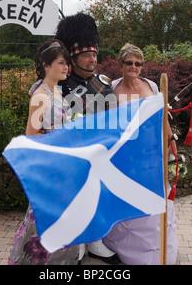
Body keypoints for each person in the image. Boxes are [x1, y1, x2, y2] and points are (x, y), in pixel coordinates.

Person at [102, 43, 179, 265]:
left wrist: (170, 143)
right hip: (124, 155)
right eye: (129, 62)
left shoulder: (152, 86)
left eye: (138, 63)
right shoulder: (112, 88)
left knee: (155, 203)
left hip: (151, 153)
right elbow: (106, 123)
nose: (134, 66)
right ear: (120, 64)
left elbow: (163, 117)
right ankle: (128, 250)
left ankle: (159, 252)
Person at [54, 13, 120, 265]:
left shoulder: (103, 84)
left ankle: (95, 241)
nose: (93, 59)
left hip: (99, 151)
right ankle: (77, 243)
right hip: (70, 153)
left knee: (100, 196)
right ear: (73, 57)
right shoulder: (60, 84)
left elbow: (113, 118)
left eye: (95, 54)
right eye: (87, 55)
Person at [8, 39, 80, 265]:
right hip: (49, 167)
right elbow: (31, 135)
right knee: (41, 220)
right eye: (61, 63)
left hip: (62, 165)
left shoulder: (57, 92)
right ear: (46, 65)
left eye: (67, 63)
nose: (66, 67)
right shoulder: (40, 96)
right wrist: (62, 138)